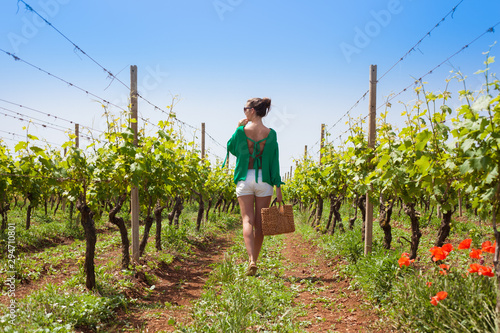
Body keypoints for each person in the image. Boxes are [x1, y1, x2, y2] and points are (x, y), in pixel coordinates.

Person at [223, 97, 284, 276]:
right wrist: (278, 188)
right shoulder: (271, 133)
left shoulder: (242, 131)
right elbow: (274, 161)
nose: (244, 112)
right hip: (264, 180)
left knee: (247, 220)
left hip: (245, 177)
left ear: (252, 111)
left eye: (245, 108)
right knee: (260, 224)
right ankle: (255, 261)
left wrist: (237, 128)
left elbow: (231, 149)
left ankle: (250, 260)